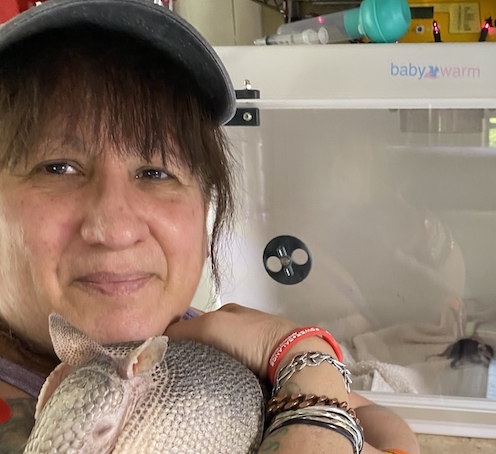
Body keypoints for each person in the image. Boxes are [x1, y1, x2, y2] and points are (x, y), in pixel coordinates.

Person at [0, 1, 420, 453]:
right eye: (58, 168)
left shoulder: (204, 337)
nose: (117, 229)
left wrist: (296, 354)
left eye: (156, 172)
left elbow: (384, 426)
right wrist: (305, 363)